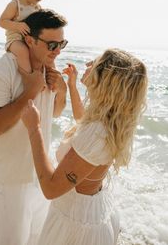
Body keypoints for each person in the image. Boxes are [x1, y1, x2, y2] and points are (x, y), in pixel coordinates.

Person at [21, 48, 148, 245]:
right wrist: (71, 85)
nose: (88, 65)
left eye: (94, 63)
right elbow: (83, 121)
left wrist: (34, 127)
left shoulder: (97, 133)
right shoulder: (107, 122)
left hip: (77, 226)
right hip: (90, 210)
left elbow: (51, 188)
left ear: (105, 80)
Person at [0, 9, 68, 245]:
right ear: (29, 40)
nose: (58, 51)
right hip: (12, 180)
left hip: (41, 176)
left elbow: (55, 113)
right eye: (52, 45)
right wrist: (30, 91)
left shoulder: (49, 71)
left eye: (62, 44)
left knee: (38, 240)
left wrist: (62, 89)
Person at [0, 0, 47, 73]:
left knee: (44, 51)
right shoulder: (15, 5)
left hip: (30, 40)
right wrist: (17, 26)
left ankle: (46, 76)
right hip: (15, 40)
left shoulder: (37, 8)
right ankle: (28, 78)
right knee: (23, 51)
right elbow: (2, 21)